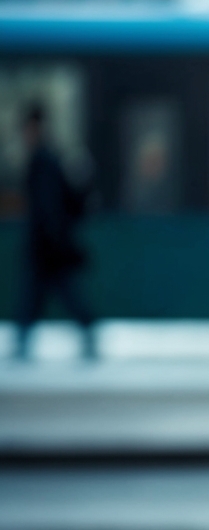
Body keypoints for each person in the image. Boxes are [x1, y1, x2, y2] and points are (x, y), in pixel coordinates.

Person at [15, 102, 95, 359]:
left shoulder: (43, 160)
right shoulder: (49, 158)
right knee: (44, 294)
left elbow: (47, 205)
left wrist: (50, 237)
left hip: (47, 244)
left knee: (49, 293)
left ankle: (86, 328)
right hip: (49, 243)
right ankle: (24, 338)